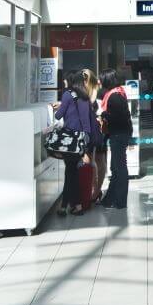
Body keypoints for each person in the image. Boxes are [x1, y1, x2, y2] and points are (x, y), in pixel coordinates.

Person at [54, 71, 95, 216]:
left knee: (70, 172)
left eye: (65, 80)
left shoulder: (67, 95)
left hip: (69, 139)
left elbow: (58, 115)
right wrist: (86, 140)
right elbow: (85, 120)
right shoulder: (84, 97)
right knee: (72, 172)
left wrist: (57, 109)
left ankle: (70, 205)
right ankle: (71, 205)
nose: (64, 82)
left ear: (71, 81)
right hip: (81, 138)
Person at [98, 69, 132, 210]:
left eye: (101, 79)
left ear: (107, 80)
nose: (100, 82)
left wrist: (104, 114)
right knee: (116, 168)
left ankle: (120, 201)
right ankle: (109, 199)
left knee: (119, 168)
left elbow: (118, 118)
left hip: (119, 134)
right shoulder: (117, 92)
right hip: (120, 133)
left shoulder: (114, 96)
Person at [82, 68, 106, 202]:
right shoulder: (81, 93)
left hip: (99, 131)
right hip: (87, 131)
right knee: (88, 161)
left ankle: (97, 190)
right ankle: (92, 190)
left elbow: (103, 109)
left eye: (85, 79)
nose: (84, 82)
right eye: (82, 79)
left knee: (100, 161)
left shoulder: (98, 93)